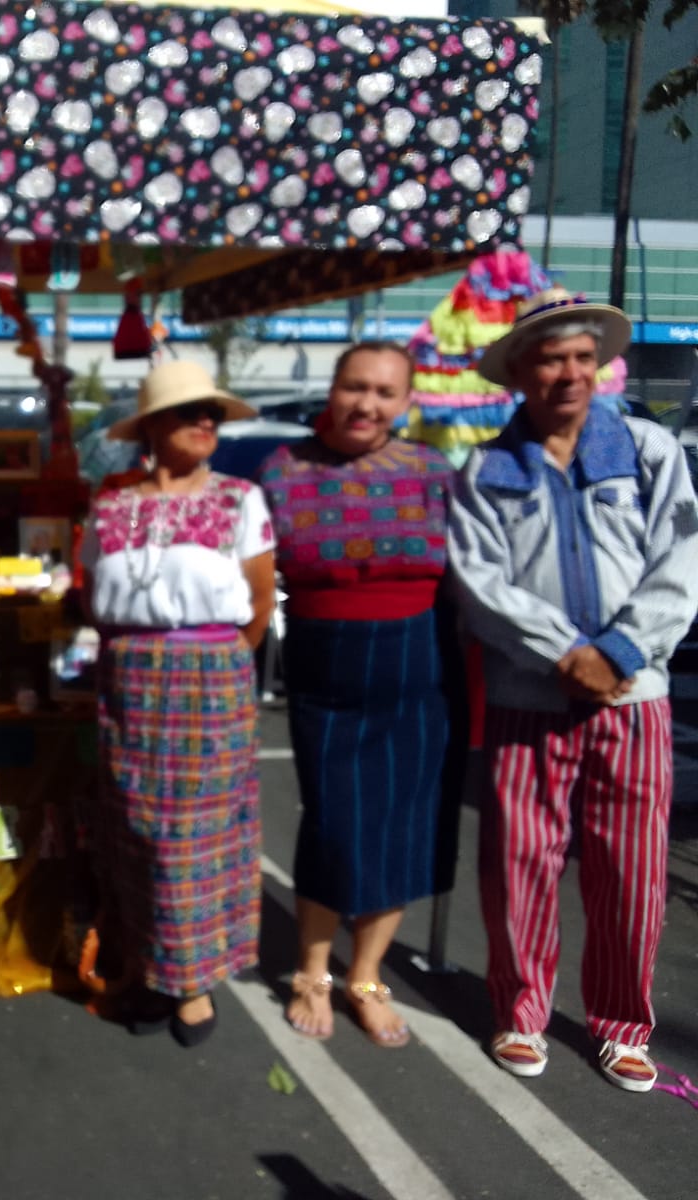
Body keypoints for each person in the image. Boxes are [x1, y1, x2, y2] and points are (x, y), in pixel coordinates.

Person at [448, 288, 698, 1092]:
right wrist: (567, 654)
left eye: (584, 358)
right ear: (519, 372)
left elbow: (681, 564)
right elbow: (479, 585)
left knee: (632, 869)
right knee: (519, 862)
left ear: (601, 366)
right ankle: (521, 1012)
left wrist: (621, 650)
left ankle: (622, 1024)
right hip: (532, 697)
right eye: (551, 358)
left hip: (634, 698)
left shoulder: (651, 449)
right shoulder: (485, 469)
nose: (570, 373)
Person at [259, 342, 460, 1047]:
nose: (366, 405)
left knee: (403, 826)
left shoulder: (433, 470)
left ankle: (366, 976)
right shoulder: (282, 471)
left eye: (383, 392)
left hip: (419, 662)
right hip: (326, 665)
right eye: (354, 387)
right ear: (332, 388)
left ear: (406, 403)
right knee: (334, 823)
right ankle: (313, 968)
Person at [81, 360, 277, 1045]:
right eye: (191, 412)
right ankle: (142, 964)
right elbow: (93, 600)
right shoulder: (108, 506)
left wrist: (210, 657)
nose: (206, 424)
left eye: (213, 415)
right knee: (135, 829)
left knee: (195, 838)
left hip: (209, 677)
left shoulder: (240, 499)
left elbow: (256, 606)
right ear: (153, 427)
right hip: (129, 679)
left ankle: (191, 981)